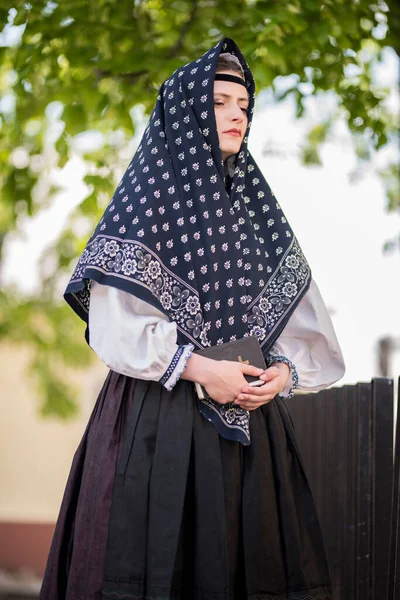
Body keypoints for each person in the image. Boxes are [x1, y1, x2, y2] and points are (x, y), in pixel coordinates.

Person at [41, 38, 345, 600]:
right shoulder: (147, 199)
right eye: (220, 101)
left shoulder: (256, 210)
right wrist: (201, 368)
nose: (237, 114)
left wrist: (284, 374)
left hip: (253, 430)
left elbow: (299, 324)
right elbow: (116, 325)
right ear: (185, 114)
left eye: (244, 105)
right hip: (160, 422)